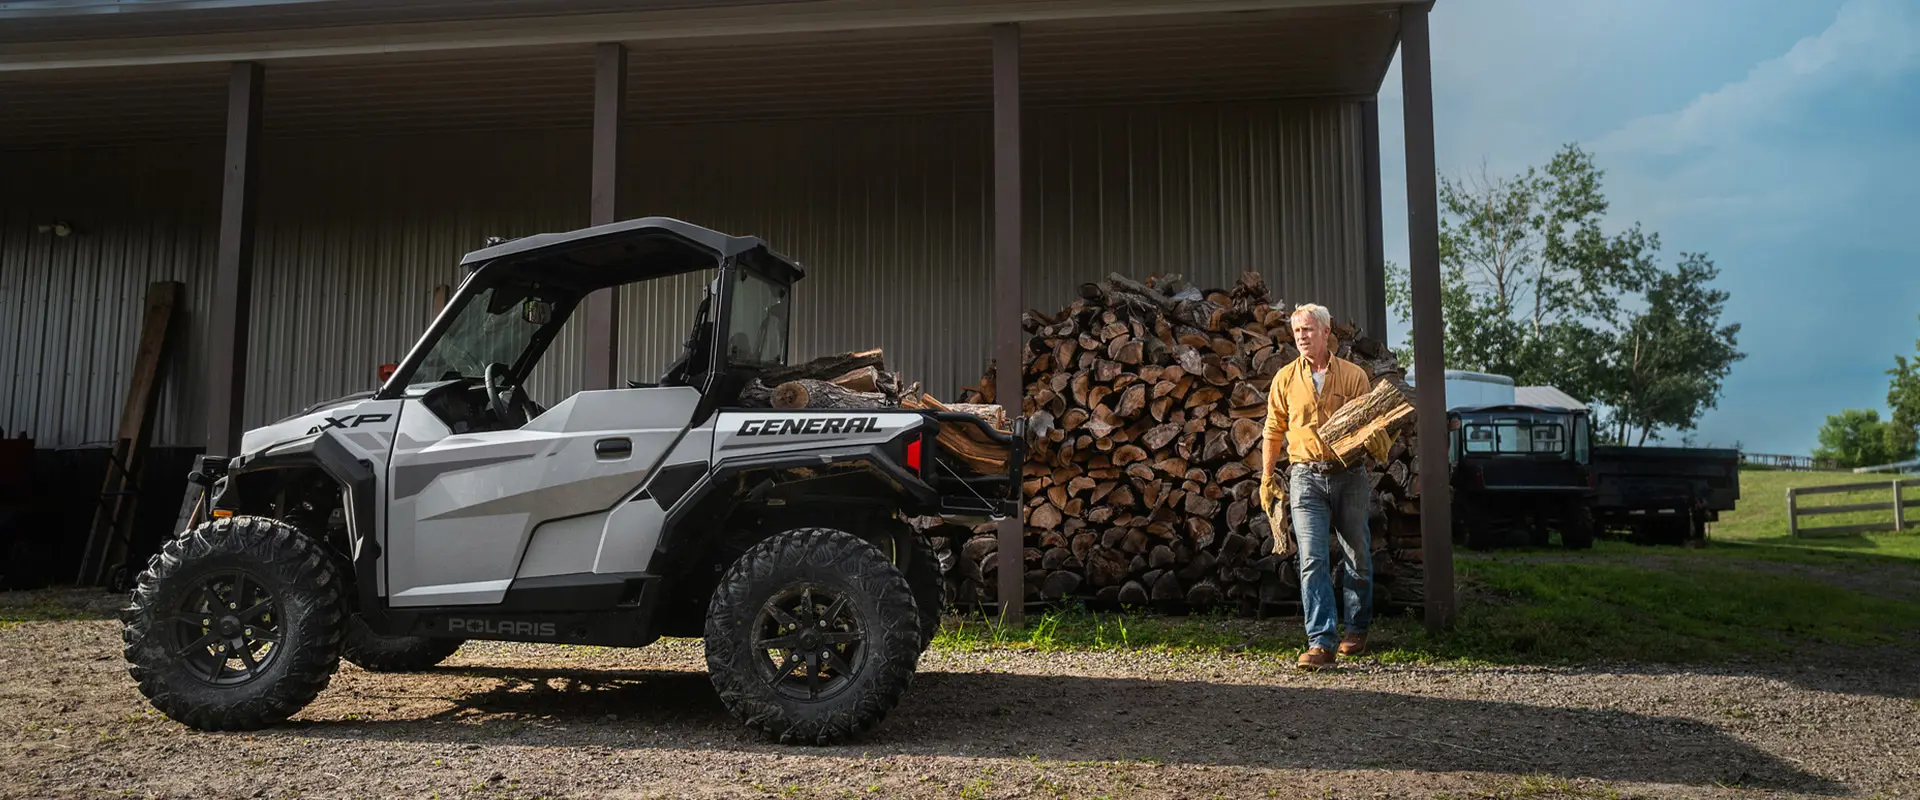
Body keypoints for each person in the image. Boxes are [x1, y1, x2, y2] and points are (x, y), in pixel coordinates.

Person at [1258, 304, 1390, 670]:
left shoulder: (1353, 376)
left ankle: (1357, 628)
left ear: (1327, 332)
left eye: (1308, 330)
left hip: (1348, 474)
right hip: (1305, 477)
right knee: (1311, 559)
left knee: (1357, 554)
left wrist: (1375, 436)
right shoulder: (1284, 379)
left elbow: (1369, 423)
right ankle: (1321, 641)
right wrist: (1267, 476)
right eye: (1297, 331)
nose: (1301, 336)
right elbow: (1273, 430)